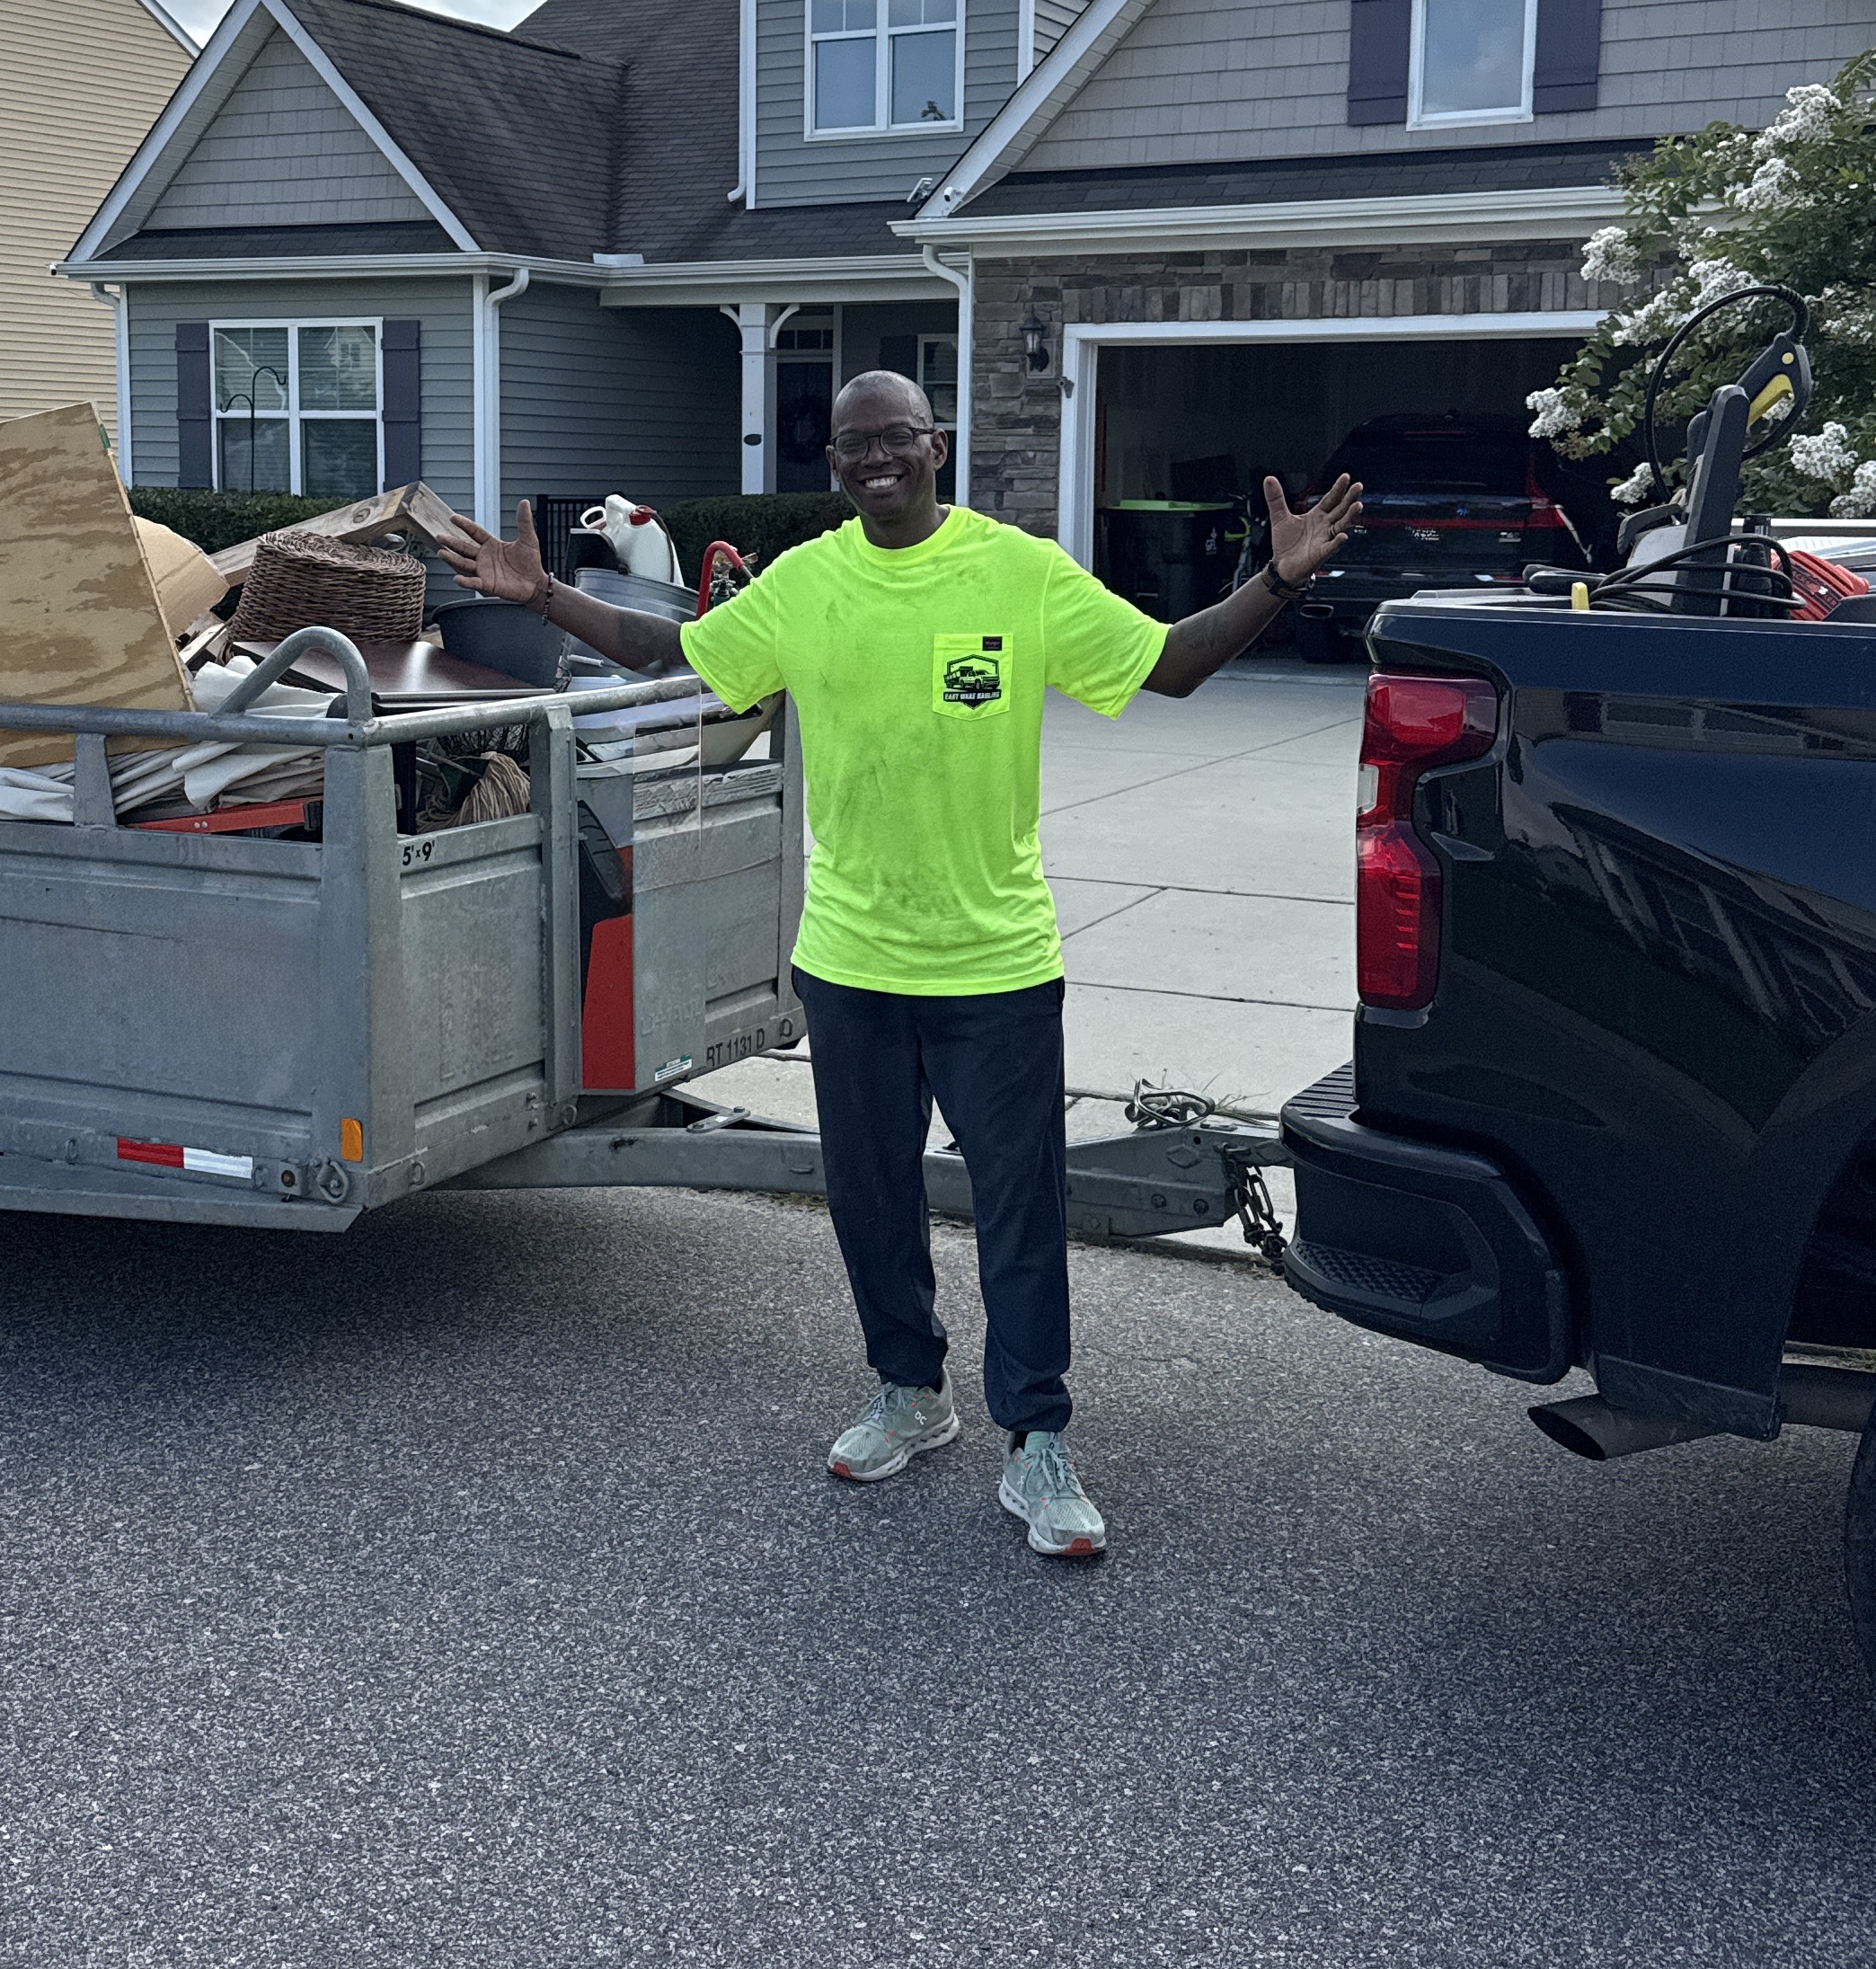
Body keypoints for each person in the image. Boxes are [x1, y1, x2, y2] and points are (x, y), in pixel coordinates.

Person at [452, 383, 1361, 1563]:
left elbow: (1169, 666)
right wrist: (547, 596)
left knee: (1020, 1210)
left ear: (938, 447)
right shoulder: (810, 582)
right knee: (872, 1198)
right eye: (853, 444)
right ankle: (909, 1392)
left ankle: (1037, 1442)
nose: (877, 458)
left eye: (897, 437)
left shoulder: (1018, 573)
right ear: (835, 462)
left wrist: (1277, 582)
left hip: (995, 963)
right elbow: (683, 651)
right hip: (851, 957)